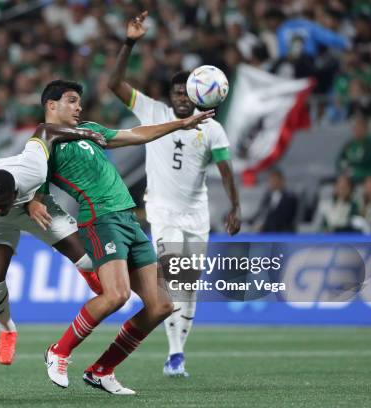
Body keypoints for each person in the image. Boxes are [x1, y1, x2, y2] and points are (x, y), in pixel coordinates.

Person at [37, 79, 215, 395]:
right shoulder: (44, 142)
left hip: (128, 220)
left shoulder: (90, 130)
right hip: (99, 220)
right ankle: (59, 351)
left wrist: (181, 124)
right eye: (72, 100)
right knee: (116, 295)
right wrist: (34, 200)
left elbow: (136, 134)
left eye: (79, 101)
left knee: (162, 305)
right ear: (51, 105)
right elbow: (31, 177)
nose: (79, 107)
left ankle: (102, 370)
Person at [107, 11, 241, 378]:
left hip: (196, 214)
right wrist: (130, 42)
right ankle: (174, 354)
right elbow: (114, 84)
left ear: (198, 95)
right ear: (170, 96)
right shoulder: (153, 112)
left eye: (187, 93)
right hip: (162, 211)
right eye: (177, 93)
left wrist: (235, 207)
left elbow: (226, 170)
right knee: (171, 277)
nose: (182, 98)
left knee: (189, 286)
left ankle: (176, 353)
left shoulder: (211, 128)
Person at [0, 123, 107, 366]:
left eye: (1, 204)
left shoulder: (32, 170)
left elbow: (46, 130)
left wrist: (86, 133)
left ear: (15, 193)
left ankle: (88, 272)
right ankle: (7, 330)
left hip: (32, 209)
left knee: (89, 259)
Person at [249, 168, 298, 232]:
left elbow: (285, 218)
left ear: (282, 181)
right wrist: (251, 222)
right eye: (271, 180)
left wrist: (264, 225)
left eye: (275, 180)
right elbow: (260, 212)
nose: (273, 183)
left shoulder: (290, 197)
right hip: (264, 229)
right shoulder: (268, 196)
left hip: (281, 231)